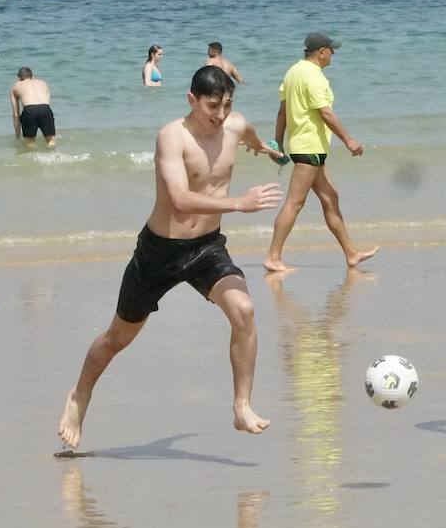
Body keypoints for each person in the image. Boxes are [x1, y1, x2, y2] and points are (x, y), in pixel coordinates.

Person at [56, 66, 285, 448]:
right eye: (212, 106)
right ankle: (79, 396)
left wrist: (264, 149)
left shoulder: (235, 125)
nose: (221, 115)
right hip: (160, 251)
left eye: (227, 105)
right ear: (191, 99)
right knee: (117, 338)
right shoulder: (171, 137)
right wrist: (240, 204)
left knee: (243, 310)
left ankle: (242, 406)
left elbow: (249, 136)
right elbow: (179, 201)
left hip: (207, 247)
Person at [262, 32, 378, 272]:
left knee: (330, 198)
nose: (333, 54)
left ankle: (351, 254)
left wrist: (278, 143)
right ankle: (273, 257)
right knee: (294, 203)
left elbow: (282, 111)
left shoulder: (293, 72)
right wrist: (349, 141)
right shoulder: (313, 76)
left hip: (304, 147)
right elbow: (325, 113)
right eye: (331, 50)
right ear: (322, 51)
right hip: (309, 149)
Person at [10, 67, 57, 147]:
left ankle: (33, 157)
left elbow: (16, 115)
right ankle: (52, 155)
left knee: (29, 142)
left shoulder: (16, 86)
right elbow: (47, 103)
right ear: (32, 76)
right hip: (45, 109)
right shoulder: (43, 83)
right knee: (51, 140)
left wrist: (18, 136)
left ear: (19, 78)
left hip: (29, 110)